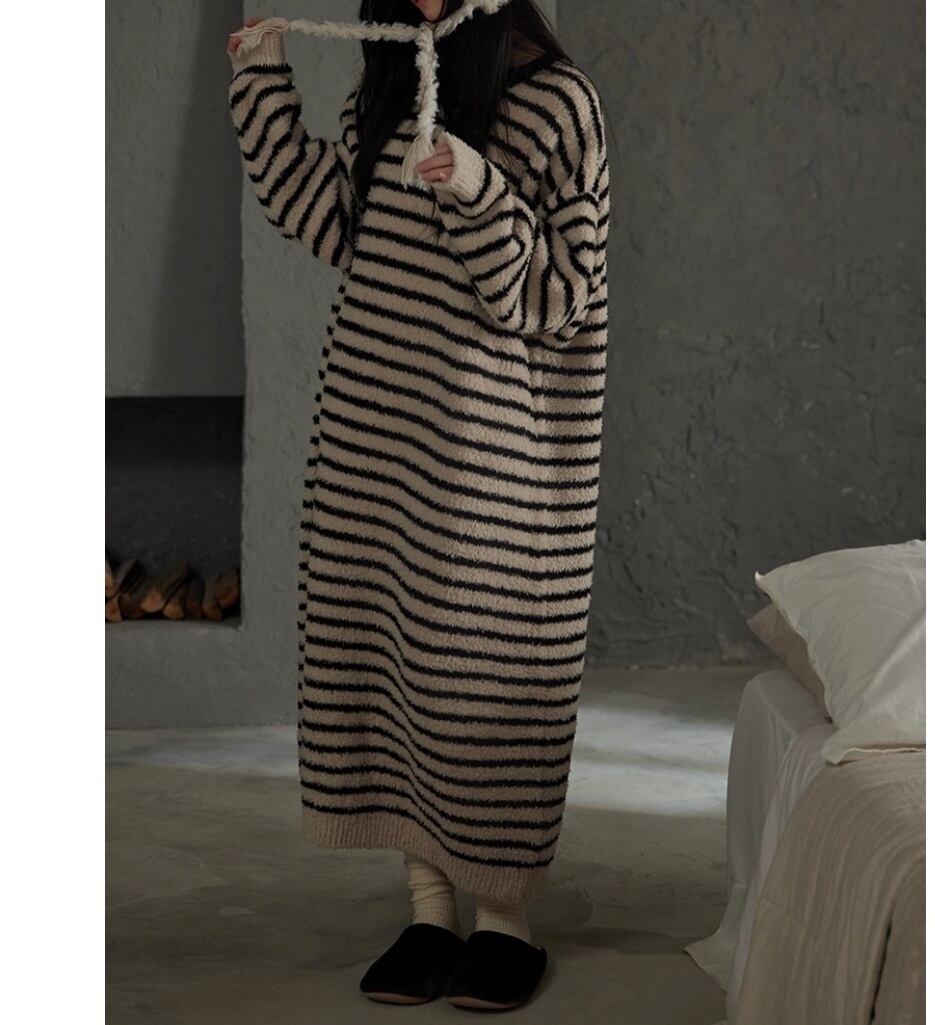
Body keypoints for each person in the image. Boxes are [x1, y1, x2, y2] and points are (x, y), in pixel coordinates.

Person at [226, 0, 610, 1010]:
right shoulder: (393, 88)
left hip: (488, 454)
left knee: (474, 673)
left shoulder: (558, 103)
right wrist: (261, 79)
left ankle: (504, 922)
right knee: (388, 666)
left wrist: (479, 190)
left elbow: (556, 295)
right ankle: (429, 910)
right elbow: (329, 220)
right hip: (371, 438)